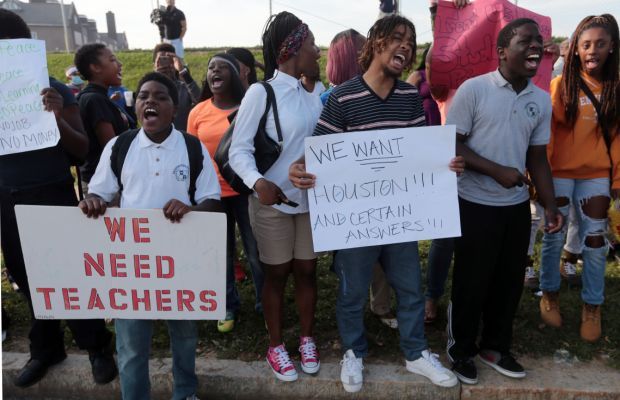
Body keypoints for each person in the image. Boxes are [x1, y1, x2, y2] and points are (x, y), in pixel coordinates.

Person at [290, 15, 462, 393]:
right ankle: (353, 352)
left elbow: (421, 154)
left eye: (411, 42)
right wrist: (298, 171)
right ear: (376, 43)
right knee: (352, 290)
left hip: (399, 220)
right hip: (356, 221)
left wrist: (444, 165)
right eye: (397, 38)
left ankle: (415, 353)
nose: (406, 47)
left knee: (411, 288)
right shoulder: (342, 98)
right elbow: (319, 154)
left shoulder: (407, 98)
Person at [79, 71, 222, 400]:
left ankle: (185, 392)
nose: (150, 101)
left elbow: (211, 201)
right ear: (136, 106)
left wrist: (190, 211)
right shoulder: (120, 146)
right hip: (133, 265)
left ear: (174, 109)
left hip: (181, 262)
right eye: (143, 96)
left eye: (160, 96)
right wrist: (93, 202)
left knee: (185, 337)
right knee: (130, 344)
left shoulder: (191, 147)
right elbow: (99, 193)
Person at [0, 9, 116, 388]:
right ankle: (46, 348)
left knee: (69, 272)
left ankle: (96, 345)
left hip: (50, 191)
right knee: (25, 275)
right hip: (7, 197)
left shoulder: (53, 89)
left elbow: (82, 149)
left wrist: (54, 118)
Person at [445, 18, 562, 384]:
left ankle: (495, 346)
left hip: (515, 209)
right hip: (473, 203)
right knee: (471, 282)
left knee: (508, 282)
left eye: (538, 42)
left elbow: (537, 157)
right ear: (501, 52)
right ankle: (460, 350)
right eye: (525, 41)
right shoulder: (474, 90)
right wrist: (495, 169)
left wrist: (550, 204)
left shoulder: (541, 100)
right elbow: (452, 143)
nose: (535, 47)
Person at [229, 11, 323, 382]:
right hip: (273, 202)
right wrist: (258, 183)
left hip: (310, 202)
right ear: (292, 49)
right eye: (312, 43)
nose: (318, 50)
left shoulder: (310, 93)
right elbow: (239, 150)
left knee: (307, 270)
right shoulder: (260, 92)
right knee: (277, 273)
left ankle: (306, 338)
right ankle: (275, 345)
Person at [539, 14, 620, 343]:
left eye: (600, 44)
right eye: (586, 44)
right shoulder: (560, 86)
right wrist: (541, 181)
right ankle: (549, 294)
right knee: (554, 237)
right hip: (559, 174)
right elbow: (547, 134)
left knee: (596, 243)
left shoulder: (616, 88)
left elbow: (617, 138)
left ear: (612, 47)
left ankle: (592, 306)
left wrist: (617, 181)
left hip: (596, 177)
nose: (592, 50)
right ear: (574, 49)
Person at [187, 53, 264, 332]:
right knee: (221, 253)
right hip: (212, 196)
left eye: (221, 68)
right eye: (210, 68)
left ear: (235, 74)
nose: (214, 72)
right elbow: (192, 155)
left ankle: (263, 303)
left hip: (245, 192)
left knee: (255, 251)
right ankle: (227, 305)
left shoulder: (249, 107)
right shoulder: (197, 112)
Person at [75, 43, 133, 194]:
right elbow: (112, 148)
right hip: (103, 185)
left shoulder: (93, 97)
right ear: (95, 67)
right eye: (113, 60)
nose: (120, 64)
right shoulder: (95, 100)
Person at [153, 42, 201, 131]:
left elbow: (202, 102)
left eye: (169, 60)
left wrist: (182, 70)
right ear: (154, 64)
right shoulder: (148, 89)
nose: (165, 64)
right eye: (161, 59)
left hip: (181, 139)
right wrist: (155, 77)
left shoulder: (184, 87)